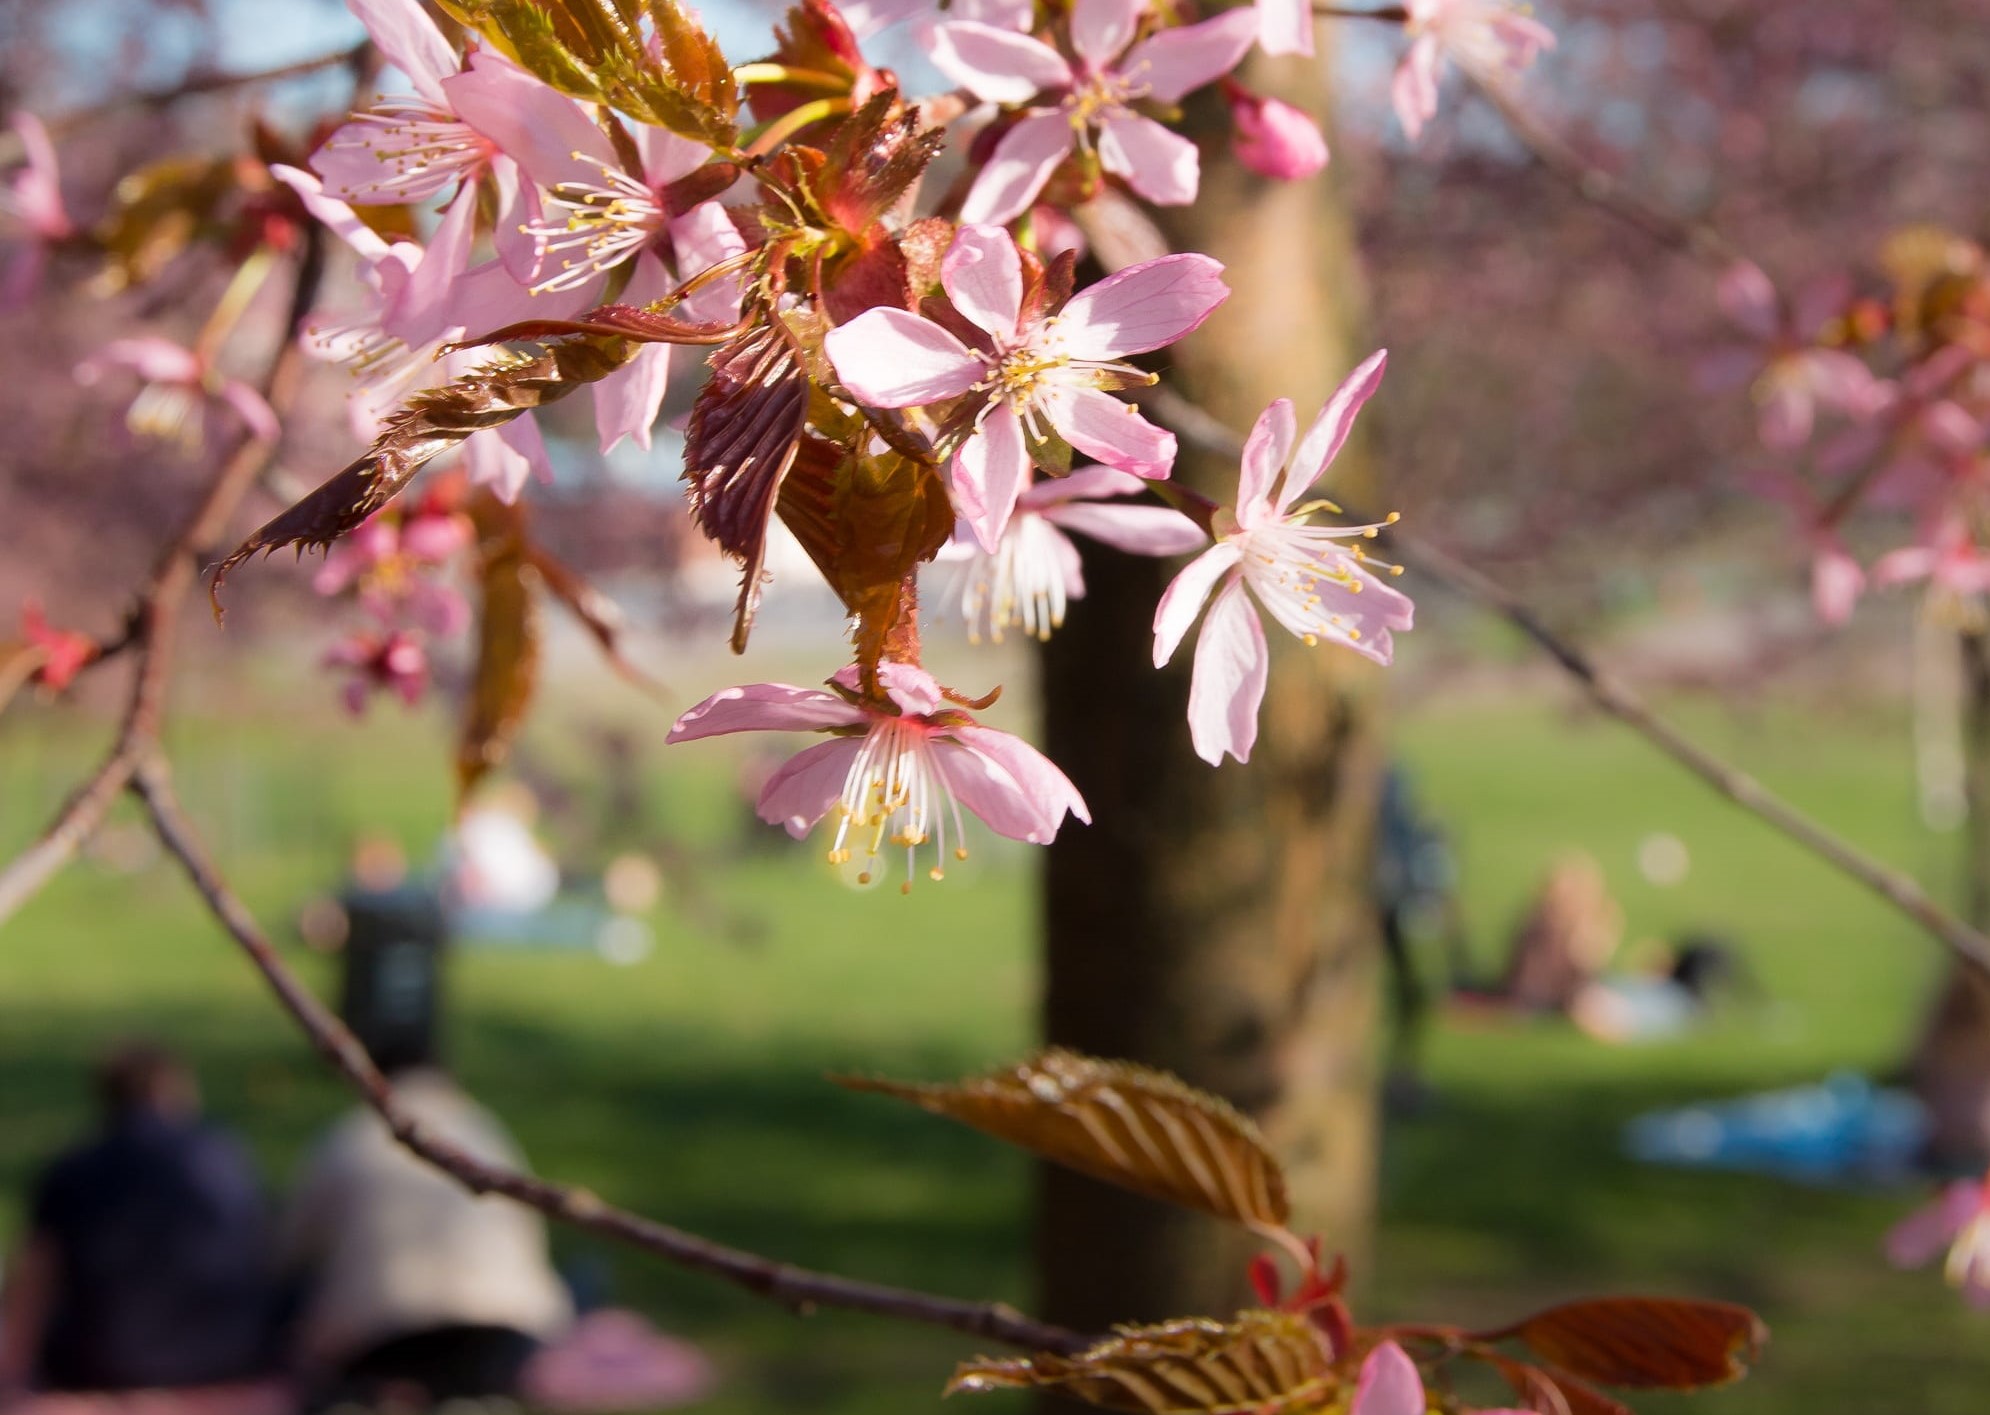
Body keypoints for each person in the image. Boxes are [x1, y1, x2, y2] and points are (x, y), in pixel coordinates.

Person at [280, 1027, 573, 1410]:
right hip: (506, 1327)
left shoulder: (348, 1135)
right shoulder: (485, 1128)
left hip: (378, 1336)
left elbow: (291, 1249)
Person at [0, 1043, 276, 1398]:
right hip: (226, 1356)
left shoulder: (74, 1167)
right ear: (169, 1089)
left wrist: (13, 1369)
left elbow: (36, 1275)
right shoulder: (226, 1157)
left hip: (99, 1364)